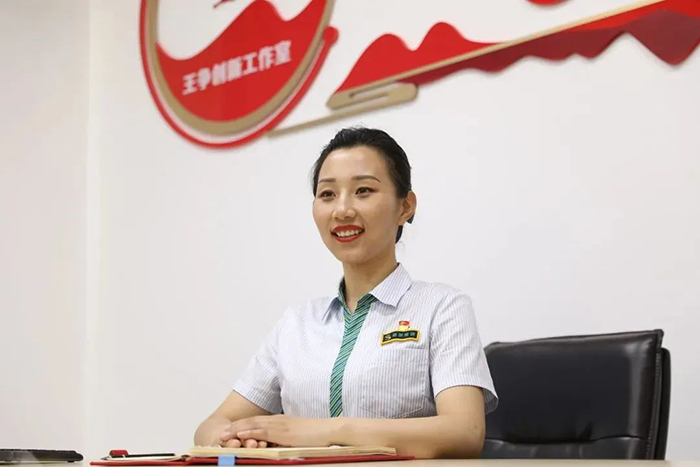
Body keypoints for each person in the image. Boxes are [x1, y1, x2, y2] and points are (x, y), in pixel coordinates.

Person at [194, 127, 497, 458]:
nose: (342, 210)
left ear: (405, 206)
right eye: (327, 194)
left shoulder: (442, 307)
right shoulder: (297, 323)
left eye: (363, 190)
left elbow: (464, 431)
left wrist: (327, 432)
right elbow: (212, 425)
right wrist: (233, 439)